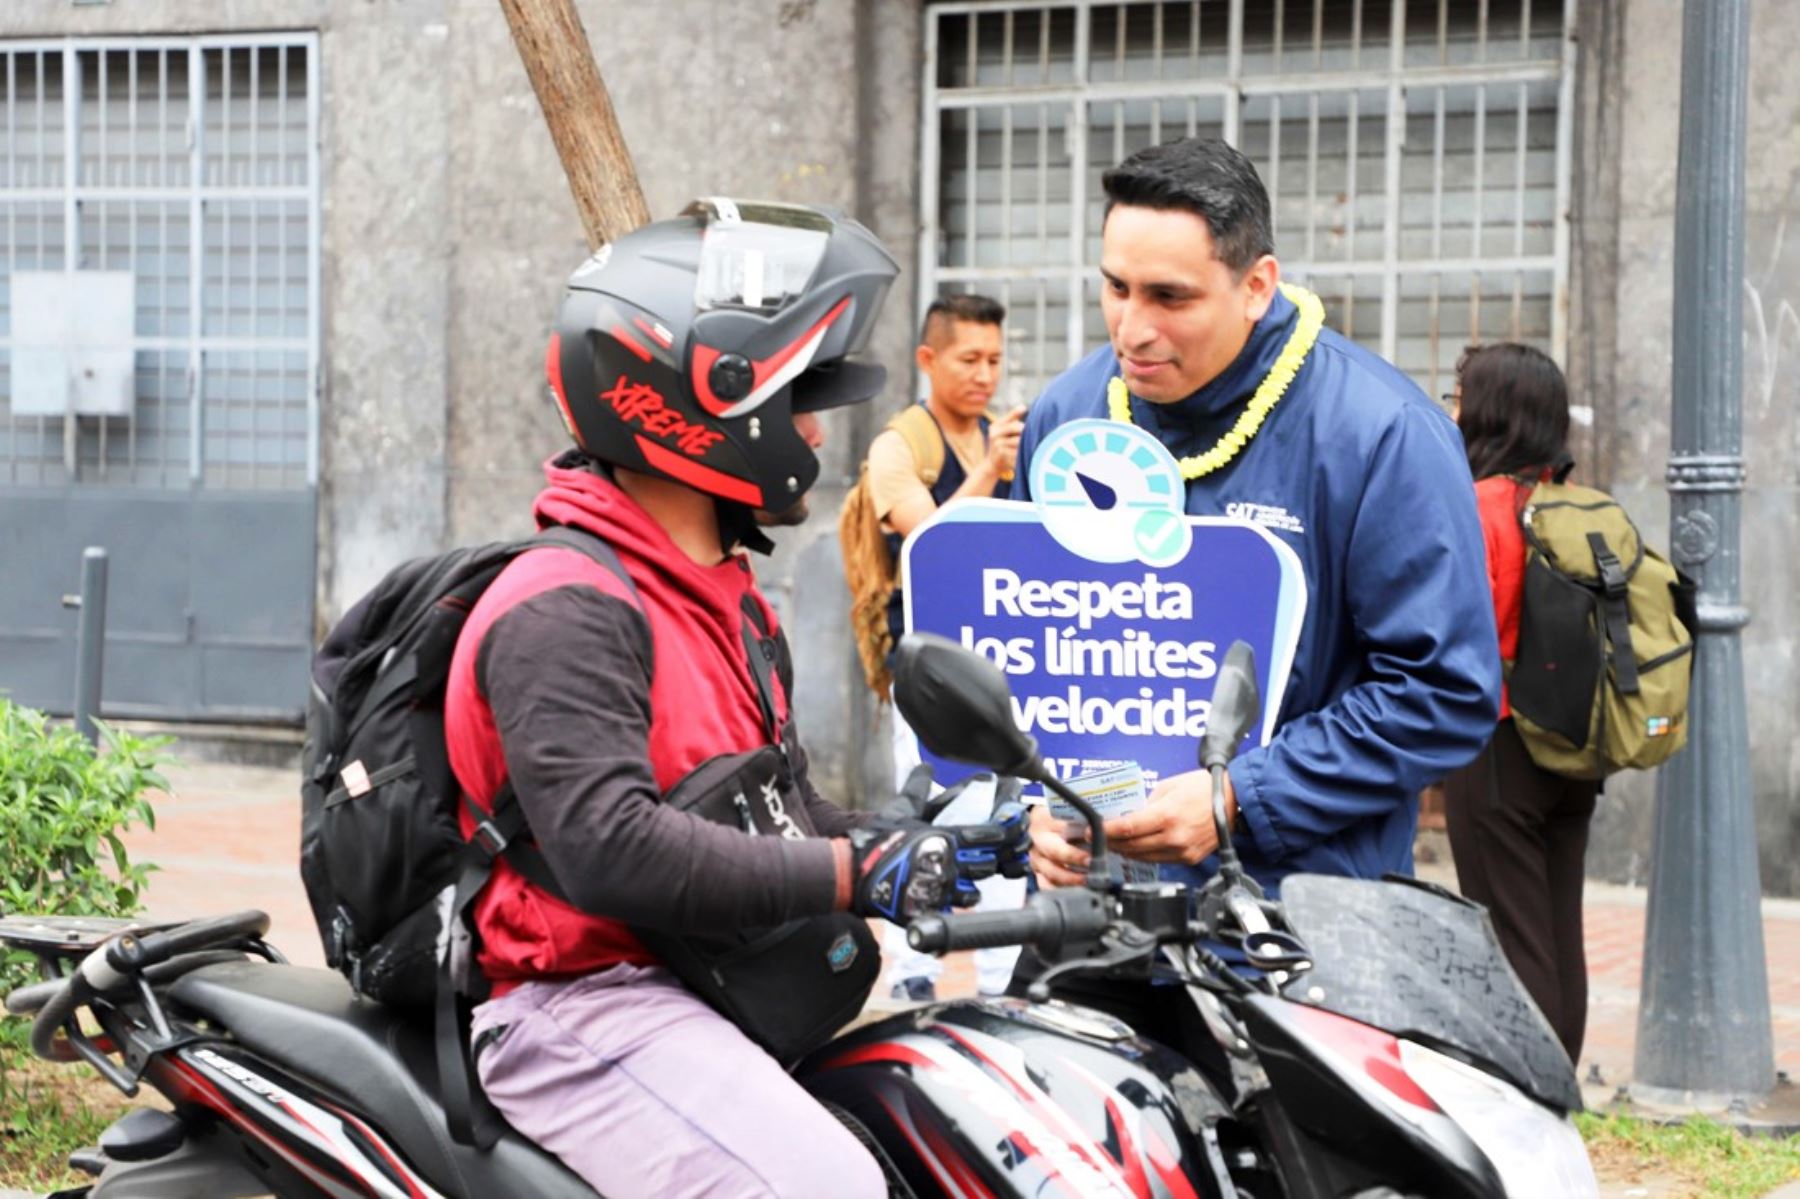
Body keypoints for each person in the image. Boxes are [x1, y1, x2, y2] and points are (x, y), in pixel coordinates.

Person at [442, 199, 1025, 1198]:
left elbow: (776, 813)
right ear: (700, 404)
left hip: (708, 974)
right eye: (797, 398)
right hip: (582, 1000)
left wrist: (933, 835)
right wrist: (852, 868)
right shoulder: (564, 606)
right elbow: (612, 849)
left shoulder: (727, 596)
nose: (810, 428)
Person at [1011, 136, 1500, 909]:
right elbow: (1026, 660)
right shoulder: (1067, 415)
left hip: (1296, 926)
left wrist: (1237, 796)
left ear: (1256, 285)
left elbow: (1442, 692)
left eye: (1169, 297)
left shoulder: (1381, 433)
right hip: (1089, 919)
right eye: (1114, 287)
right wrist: (1026, 809)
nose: (1131, 329)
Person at [861, 293, 1027, 1002]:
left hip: (996, 662)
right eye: (969, 359)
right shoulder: (900, 445)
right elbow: (932, 548)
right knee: (931, 806)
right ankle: (913, 972)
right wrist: (990, 471)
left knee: (1005, 813)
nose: (985, 374)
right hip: (927, 671)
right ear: (928, 359)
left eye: (995, 359)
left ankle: (991, 976)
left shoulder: (995, 434)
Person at [1442, 341, 1598, 1064]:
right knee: (1559, 928)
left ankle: (1531, 1101)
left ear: (1492, 410)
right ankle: (1563, 1092)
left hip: (1499, 740)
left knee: (1511, 932)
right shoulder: (1572, 502)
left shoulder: (1478, 505)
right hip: (1574, 742)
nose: (1451, 406)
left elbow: (1463, 629)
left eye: (1461, 393)